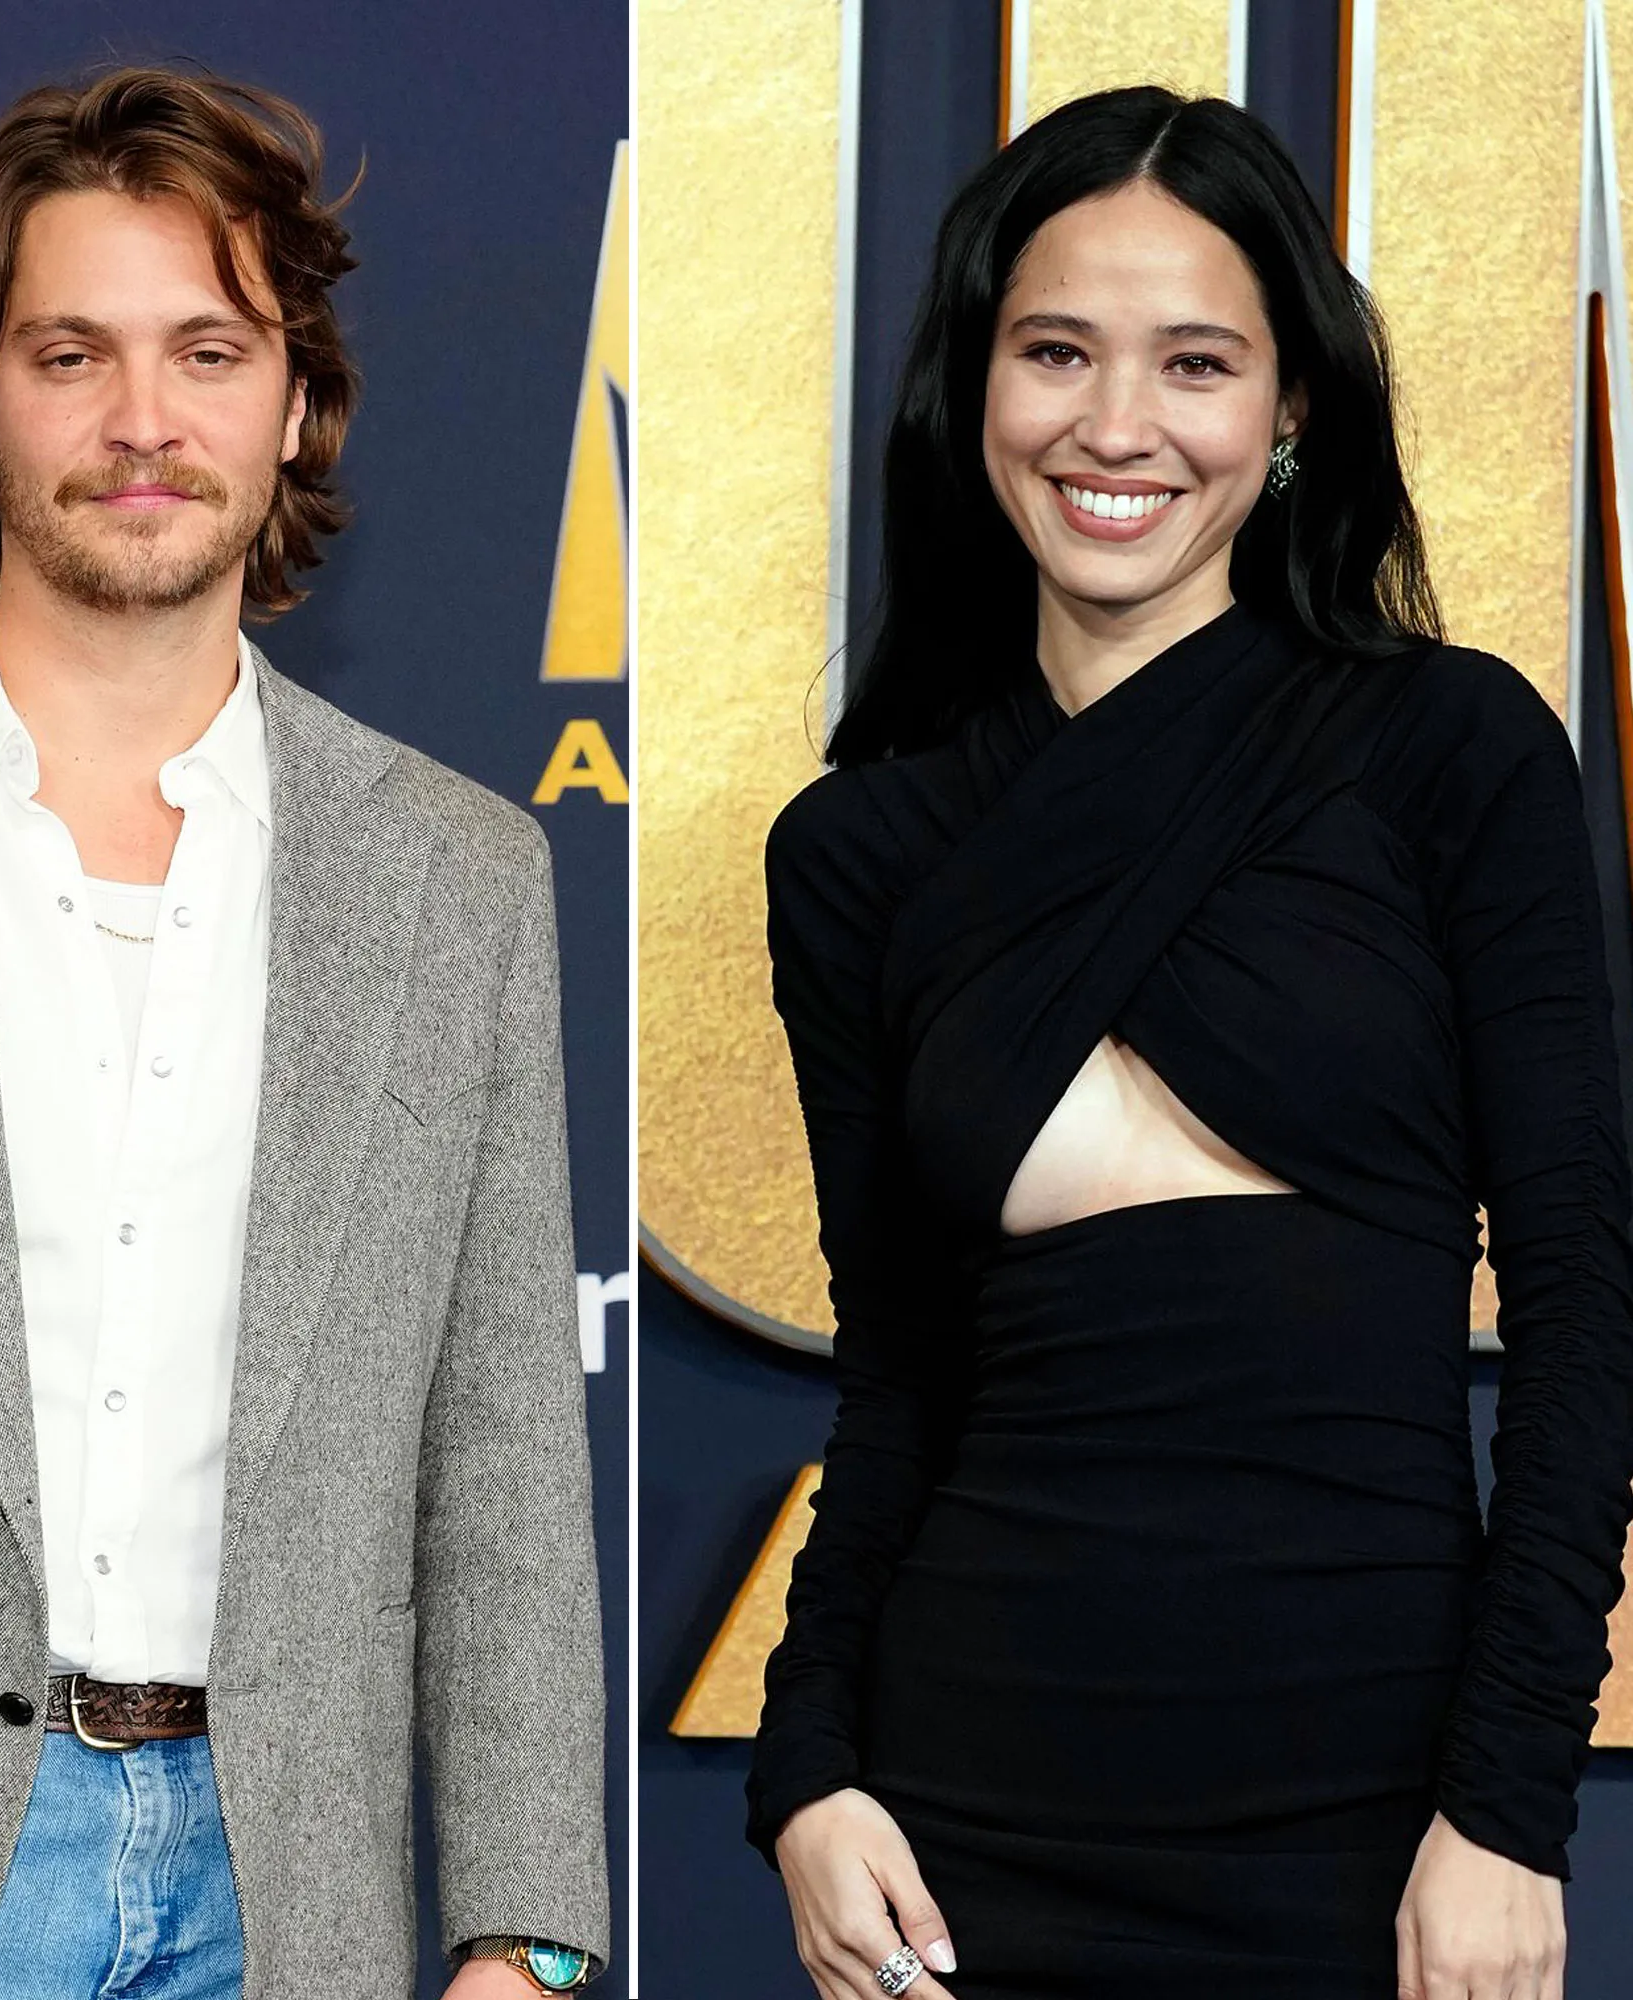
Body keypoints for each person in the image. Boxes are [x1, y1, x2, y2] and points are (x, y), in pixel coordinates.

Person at [0, 64, 607, 2000]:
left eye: (209, 352)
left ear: (296, 403)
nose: (144, 420)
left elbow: (501, 1441)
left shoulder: (457, 876)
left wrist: (532, 1930)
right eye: (72, 353)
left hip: (287, 1900)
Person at [745, 83, 1633, 2000]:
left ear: (1292, 406)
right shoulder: (863, 853)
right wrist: (806, 1777)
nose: (1117, 425)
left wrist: (1505, 1808)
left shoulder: (1451, 751)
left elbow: (1586, 1309)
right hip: (967, 1822)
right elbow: (898, 1385)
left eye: (1198, 363)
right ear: (975, 386)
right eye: (1057, 351)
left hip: (1379, 1818)